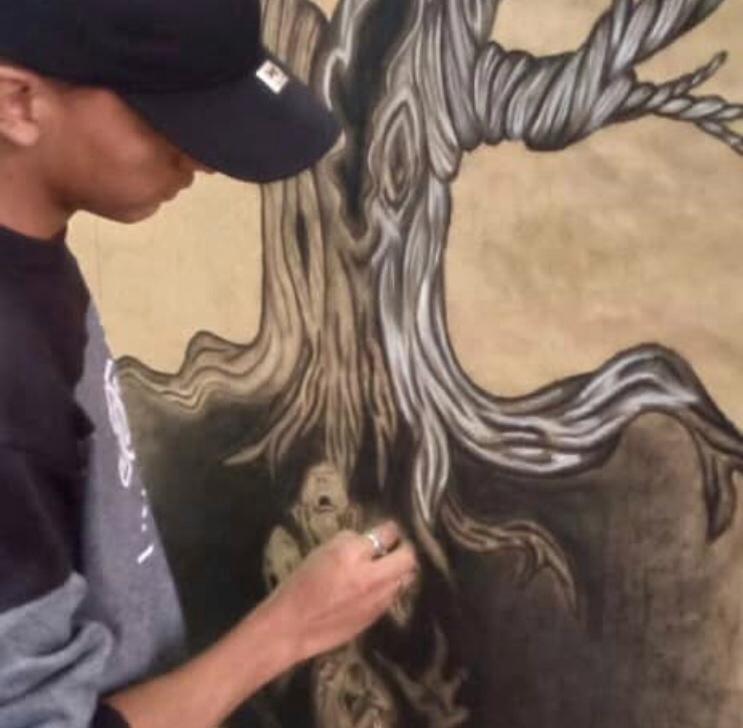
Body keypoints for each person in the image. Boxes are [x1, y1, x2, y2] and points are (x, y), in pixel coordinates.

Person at [0, 1, 419, 726]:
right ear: (17, 103)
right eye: (171, 118)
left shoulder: (29, 256)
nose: (201, 159)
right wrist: (287, 631)